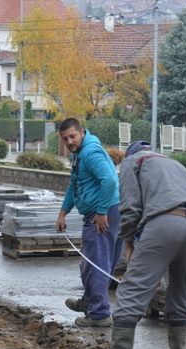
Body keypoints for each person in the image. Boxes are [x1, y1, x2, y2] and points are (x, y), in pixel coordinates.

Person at [88, 141, 186, 349]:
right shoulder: (175, 164)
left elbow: (131, 208)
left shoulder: (132, 163)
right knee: (183, 292)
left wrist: (129, 243)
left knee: (132, 290)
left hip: (164, 225)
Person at [55, 118, 121, 327]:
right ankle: (90, 301)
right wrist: (63, 212)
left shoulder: (91, 153)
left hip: (102, 214)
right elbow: (74, 185)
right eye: (65, 139)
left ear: (82, 133)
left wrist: (101, 212)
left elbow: (109, 181)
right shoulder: (79, 155)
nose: (69, 141)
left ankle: (100, 315)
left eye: (72, 136)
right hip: (100, 212)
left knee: (97, 263)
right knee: (90, 262)